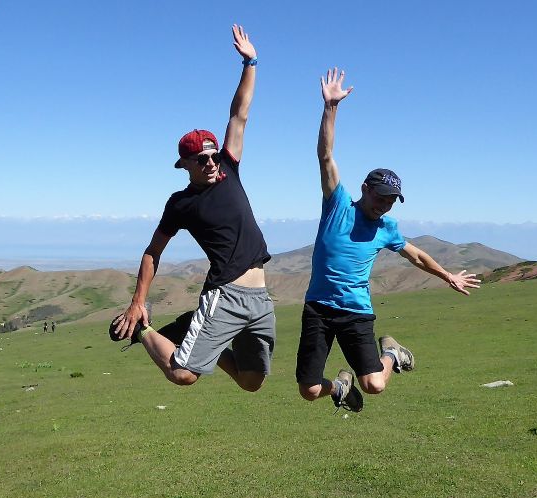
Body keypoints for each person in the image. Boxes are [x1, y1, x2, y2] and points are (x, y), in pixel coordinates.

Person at [297, 68, 482, 412]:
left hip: (355, 312)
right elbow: (325, 156)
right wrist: (331, 108)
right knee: (308, 389)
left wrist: (449, 277)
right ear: (365, 188)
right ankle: (338, 385)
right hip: (319, 309)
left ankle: (392, 354)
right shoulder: (337, 204)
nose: (384, 204)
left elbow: (416, 256)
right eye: (380, 196)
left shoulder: (388, 227)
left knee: (375, 385)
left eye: (391, 200)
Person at [109, 25, 274, 392]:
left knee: (251, 381)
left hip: (260, 296)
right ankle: (144, 329)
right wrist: (138, 303)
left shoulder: (229, 168)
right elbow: (153, 252)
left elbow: (239, 115)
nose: (211, 163)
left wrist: (251, 62)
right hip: (225, 293)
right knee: (184, 374)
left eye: (213, 155)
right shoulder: (180, 203)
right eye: (201, 159)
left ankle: (193, 331)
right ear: (184, 164)